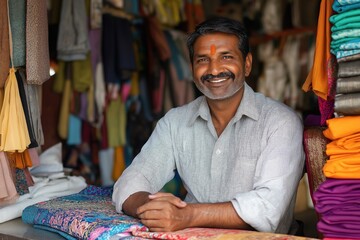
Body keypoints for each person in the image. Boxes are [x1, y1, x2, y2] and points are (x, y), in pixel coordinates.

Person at [112, 16, 305, 234]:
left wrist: (188, 215)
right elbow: (131, 181)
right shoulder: (175, 122)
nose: (214, 70)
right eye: (203, 60)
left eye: (226, 57)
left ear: (247, 64)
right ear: (192, 67)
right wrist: (153, 208)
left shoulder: (280, 122)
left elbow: (268, 208)